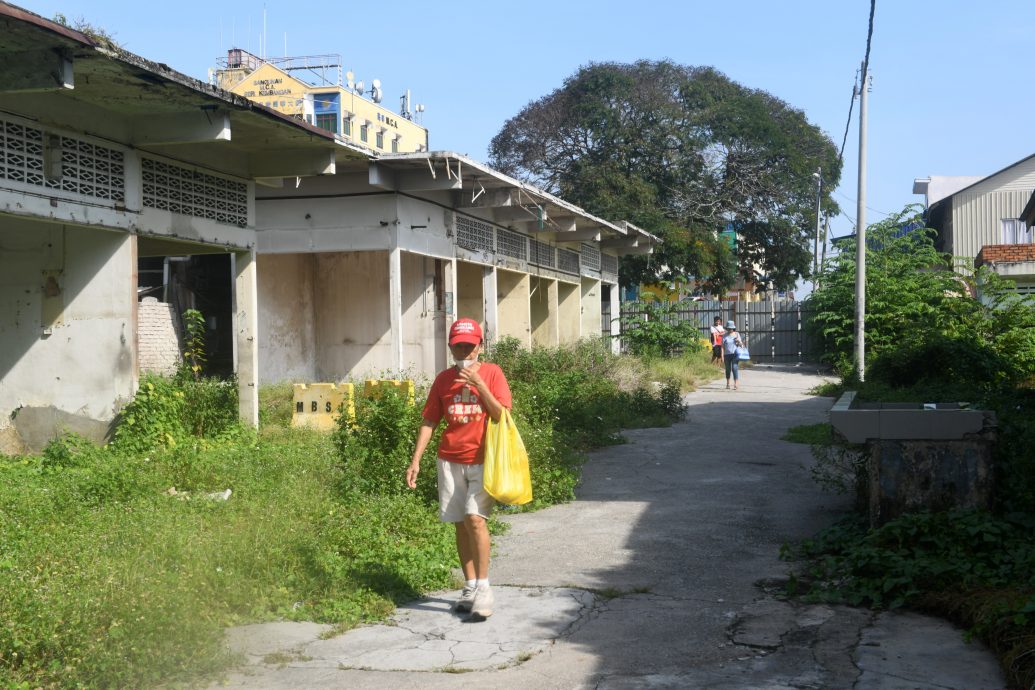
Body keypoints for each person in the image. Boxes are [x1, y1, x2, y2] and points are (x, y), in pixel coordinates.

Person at [406, 318, 511, 620]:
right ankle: (470, 586)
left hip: (483, 459)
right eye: (458, 346)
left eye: (469, 345)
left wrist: (478, 384)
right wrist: (415, 461)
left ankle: (485, 589)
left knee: (475, 519)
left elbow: (500, 414)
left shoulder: (492, 373)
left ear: (481, 346)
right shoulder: (442, 380)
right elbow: (429, 421)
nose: (464, 350)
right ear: (451, 347)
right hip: (449, 459)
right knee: (459, 523)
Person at [721, 320, 743, 390]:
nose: (730, 329)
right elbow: (722, 347)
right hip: (727, 355)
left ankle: (736, 383)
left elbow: (741, 345)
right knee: (728, 369)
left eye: (731, 328)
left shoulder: (737, 334)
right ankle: (728, 383)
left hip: (735, 354)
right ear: (727, 328)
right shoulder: (724, 336)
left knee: (734, 368)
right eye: (728, 328)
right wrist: (722, 356)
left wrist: (738, 341)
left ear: (733, 328)